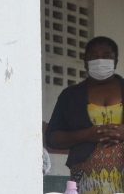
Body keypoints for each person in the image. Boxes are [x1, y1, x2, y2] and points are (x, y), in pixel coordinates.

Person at [46, 36, 123, 194]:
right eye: (94, 56)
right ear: (85, 62)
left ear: (115, 62)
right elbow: (52, 138)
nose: (100, 60)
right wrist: (86, 135)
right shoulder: (70, 96)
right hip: (85, 181)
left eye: (107, 56)